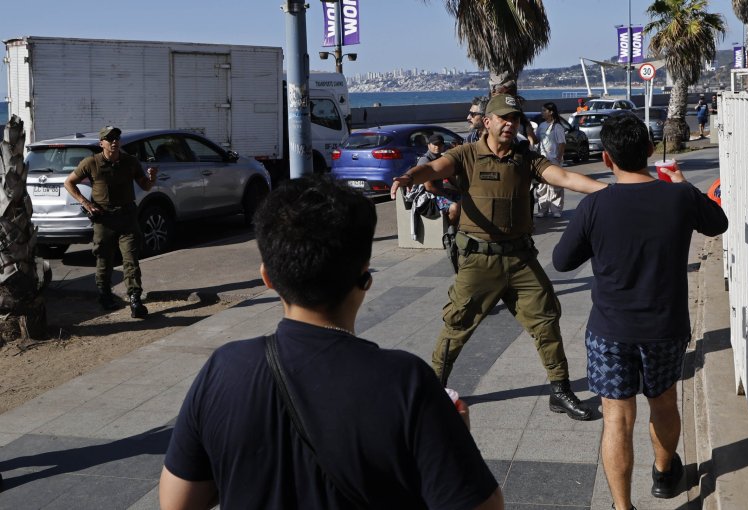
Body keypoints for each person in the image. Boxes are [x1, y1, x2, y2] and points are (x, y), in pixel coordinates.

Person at [159, 176, 503, 510]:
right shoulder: (406, 382)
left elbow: (176, 502)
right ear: (366, 276)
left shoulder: (224, 369)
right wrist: (454, 436)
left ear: (267, 278)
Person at [390, 94, 609, 421]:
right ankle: (433, 390)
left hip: (521, 258)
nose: (510, 124)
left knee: (546, 319)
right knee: (457, 326)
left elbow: (563, 178)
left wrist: (612, 191)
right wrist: (410, 177)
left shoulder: (526, 158)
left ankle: (560, 390)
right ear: (487, 121)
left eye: (515, 119)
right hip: (479, 262)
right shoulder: (466, 155)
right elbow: (434, 168)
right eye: (503, 118)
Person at [551, 113, 728, 510]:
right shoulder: (679, 197)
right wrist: (681, 182)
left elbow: (562, 262)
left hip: (610, 329)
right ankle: (665, 477)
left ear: (607, 158)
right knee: (664, 400)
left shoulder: (596, 205)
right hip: (665, 326)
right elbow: (717, 223)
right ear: (650, 150)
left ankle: (621, 506)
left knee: (617, 416)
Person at [64, 126, 157, 318]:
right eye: (109, 138)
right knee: (104, 259)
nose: (114, 141)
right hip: (104, 218)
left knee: (131, 258)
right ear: (101, 144)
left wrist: (152, 178)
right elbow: (69, 182)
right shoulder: (91, 163)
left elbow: (145, 186)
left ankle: (135, 299)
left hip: (127, 217)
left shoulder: (130, 162)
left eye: (116, 137)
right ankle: (105, 295)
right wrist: (86, 203)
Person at [534, 102, 567, 218]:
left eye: (544, 111)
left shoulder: (557, 127)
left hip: (554, 160)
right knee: (542, 185)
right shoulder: (541, 126)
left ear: (551, 112)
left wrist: (559, 157)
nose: (542, 113)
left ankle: (556, 209)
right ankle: (542, 209)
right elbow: (537, 140)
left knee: (555, 185)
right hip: (542, 159)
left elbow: (562, 143)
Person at [420, 134, 460, 226]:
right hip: (428, 198)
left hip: (439, 193)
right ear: (429, 145)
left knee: (466, 199)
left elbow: (450, 177)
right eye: (434, 144)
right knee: (454, 207)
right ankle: (450, 231)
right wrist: (446, 195)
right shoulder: (425, 161)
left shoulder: (441, 159)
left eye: (440, 145)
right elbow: (429, 187)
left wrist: (461, 189)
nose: (437, 147)